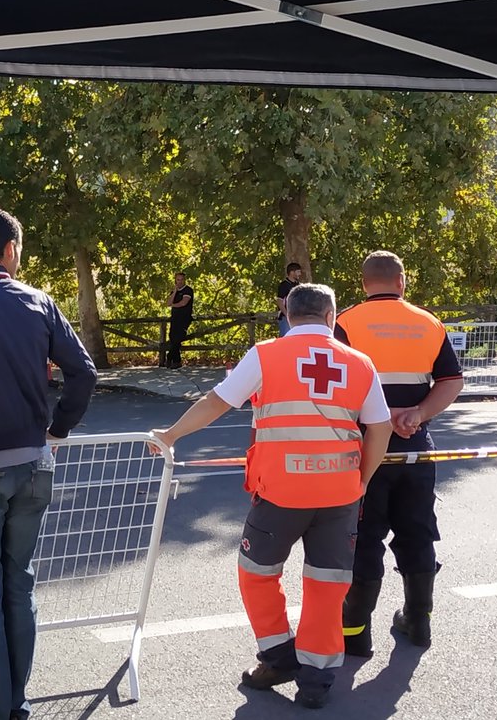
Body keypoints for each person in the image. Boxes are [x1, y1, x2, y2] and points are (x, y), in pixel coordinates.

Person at [150, 284, 392, 709]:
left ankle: (279, 656)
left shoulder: (266, 354)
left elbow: (215, 403)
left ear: (287, 312)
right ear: (332, 317)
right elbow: (381, 427)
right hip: (339, 494)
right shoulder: (360, 363)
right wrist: (361, 482)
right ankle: (317, 681)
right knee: (327, 583)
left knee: (257, 572)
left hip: (280, 492)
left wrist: (170, 435)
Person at [0, 208, 97, 720]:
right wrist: (57, 430)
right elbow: (83, 373)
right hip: (33, 463)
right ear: (12, 250)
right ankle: (17, 702)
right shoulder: (38, 301)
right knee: (19, 582)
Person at [335, 250, 464, 656]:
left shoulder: (345, 323)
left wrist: (380, 417)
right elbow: (451, 381)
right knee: (417, 531)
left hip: (365, 451)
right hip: (416, 448)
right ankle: (418, 621)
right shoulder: (429, 323)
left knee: (364, 537)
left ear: (363, 284)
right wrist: (418, 413)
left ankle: (355, 634)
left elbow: (336, 389)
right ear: (402, 281)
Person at [163, 271, 194, 369]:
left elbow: (183, 303)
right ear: (175, 281)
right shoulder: (174, 292)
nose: (180, 282)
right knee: (173, 338)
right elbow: (168, 303)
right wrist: (175, 291)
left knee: (178, 338)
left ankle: (169, 357)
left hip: (184, 318)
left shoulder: (188, 290)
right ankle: (177, 361)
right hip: (174, 318)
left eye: (181, 280)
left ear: (184, 280)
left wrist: (173, 305)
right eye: (178, 280)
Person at [276, 262, 304, 337]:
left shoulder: (299, 285)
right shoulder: (284, 285)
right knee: (286, 338)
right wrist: (287, 314)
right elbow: (279, 301)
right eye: (298, 272)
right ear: (292, 272)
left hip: (297, 318)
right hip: (285, 318)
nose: (300, 274)